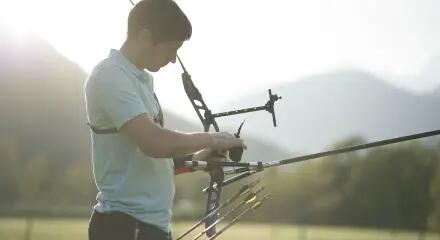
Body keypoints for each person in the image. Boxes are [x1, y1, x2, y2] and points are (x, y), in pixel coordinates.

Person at [84, 0, 245, 239]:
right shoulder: (109, 76)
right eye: (172, 49)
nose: (172, 59)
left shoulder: (140, 80)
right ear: (145, 37)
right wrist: (214, 139)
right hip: (124, 226)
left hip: (148, 226)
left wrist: (196, 160)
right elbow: (154, 143)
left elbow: (149, 159)